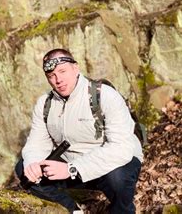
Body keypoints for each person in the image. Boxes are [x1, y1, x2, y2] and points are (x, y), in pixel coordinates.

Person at [15, 48, 143, 213]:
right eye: (51, 76)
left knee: (117, 179)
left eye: (62, 71)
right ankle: (73, 210)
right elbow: (37, 144)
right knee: (24, 168)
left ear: (76, 68)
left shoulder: (104, 96)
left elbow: (121, 149)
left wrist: (71, 168)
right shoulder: (45, 104)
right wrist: (33, 163)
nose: (58, 79)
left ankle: (122, 210)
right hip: (71, 165)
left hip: (110, 163)